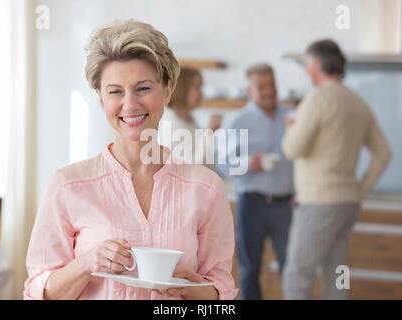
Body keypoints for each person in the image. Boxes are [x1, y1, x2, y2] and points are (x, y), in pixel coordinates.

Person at [24, 19, 238, 300]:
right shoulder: (68, 185)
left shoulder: (207, 188)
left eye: (143, 88)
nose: (130, 104)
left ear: (167, 91)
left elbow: (221, 293)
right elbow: (39, 293)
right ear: (101, 98)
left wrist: (192, 288)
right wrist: (87, 263)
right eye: (115, 91)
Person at [281, 39, 391, 300]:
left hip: (318, 203)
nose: (307, 71)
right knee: (336, 277)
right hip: (346, 204)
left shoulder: (317, 99)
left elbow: (293, 149)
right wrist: (359, 189)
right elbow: (383, 152)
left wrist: (291, 128)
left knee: (297, 275)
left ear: (318, 64)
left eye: (307, 65)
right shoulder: (358, 103)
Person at [218, 63, 294, 300]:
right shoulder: (238, 121)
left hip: (285, 205)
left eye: (272, 84)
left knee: (291, 270)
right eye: (262, 87)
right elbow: (225, 165)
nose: (269, 91)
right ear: (249, 90)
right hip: (252, 205)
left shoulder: (290, 118)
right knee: (250, 271)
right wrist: (251, 163)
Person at [158, 67, 221, 169]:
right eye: (197, 87)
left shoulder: (190, 120)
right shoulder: (171, 125)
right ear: (182, 90)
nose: (201, 93)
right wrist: (209, 131)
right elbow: (191, 167)